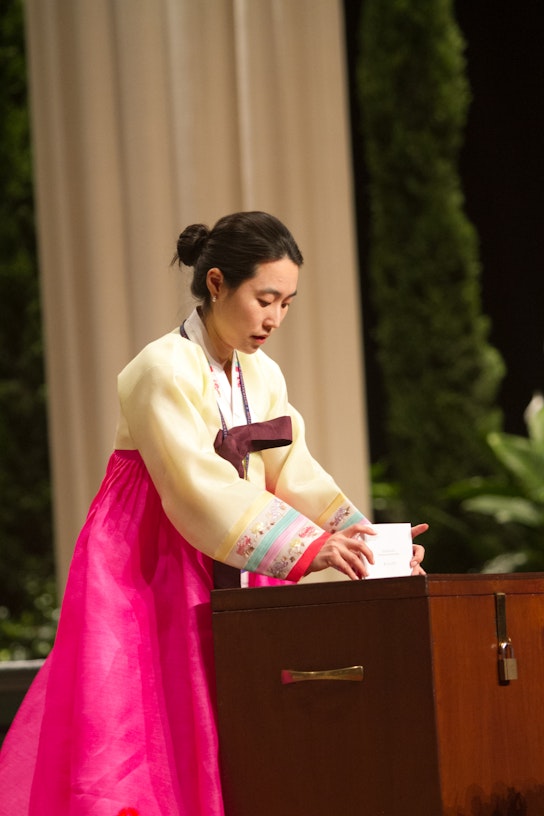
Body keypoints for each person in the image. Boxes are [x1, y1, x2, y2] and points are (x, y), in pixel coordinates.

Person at [0, 211, 426, 816]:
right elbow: (196, 487)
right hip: (150, 560)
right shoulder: (161, 367)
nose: (274, 318)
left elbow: (292, 469)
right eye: (265, 298)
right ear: (218, 283)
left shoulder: (261, 373)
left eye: (287, 303)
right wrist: (310, 547)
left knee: (227, 720)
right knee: (147, 725)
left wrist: (362, 538)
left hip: (231, 550)